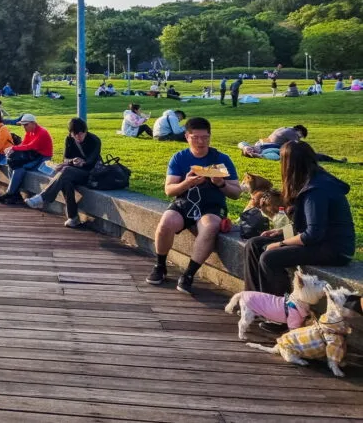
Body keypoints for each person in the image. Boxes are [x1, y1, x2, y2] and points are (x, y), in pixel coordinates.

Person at [243, 141, 355, 312]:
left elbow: (313, 234)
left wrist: (280, 244)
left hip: (334, 248)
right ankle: (256, 304)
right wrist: (281, 232)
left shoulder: (316, 190)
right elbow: (308, 224)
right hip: (318, 239)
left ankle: (282, 313)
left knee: (269, 257)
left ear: (289, 164)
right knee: (254, 244)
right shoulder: (308, 181)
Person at [145, 117, 240, 294]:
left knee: (210, 226)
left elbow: (236, 193)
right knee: (166, 222)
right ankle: (160, 265)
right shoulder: (179, 158)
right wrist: (186, 183)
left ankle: (189, 274)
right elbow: (169, 190)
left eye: (205, 137)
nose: (201, 142)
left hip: (211, 206)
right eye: (196, 137)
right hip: (185, 203)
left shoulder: (221, 159)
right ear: (187, 136)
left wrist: (220, 183)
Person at [25, 117, 100, 227]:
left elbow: (92, 160)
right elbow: (66, 158)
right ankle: (73, 217)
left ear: (85, 131)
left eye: (81, 134)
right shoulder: (69, 139)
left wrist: (82, 163)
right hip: (72, 171)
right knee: (66, 179)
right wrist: (71, 161)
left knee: (66, 171)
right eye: (75, 134)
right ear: (71, 134)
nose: (78, 137)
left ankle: (42, 197)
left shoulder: (94, 140)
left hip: (90, 173)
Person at [0, 114, 54, 205]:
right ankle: (14, 193)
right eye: (23, 125)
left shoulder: (42, 132)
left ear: (33, 123)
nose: (24, 127)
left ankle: (11, 193)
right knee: (12, 163)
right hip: (33, 155)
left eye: (26, 125)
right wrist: (13, 149)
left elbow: (30, 146)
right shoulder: (30, 131)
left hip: (42, 158)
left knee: (20, 167)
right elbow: (24, 144)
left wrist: (13, 148)